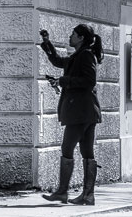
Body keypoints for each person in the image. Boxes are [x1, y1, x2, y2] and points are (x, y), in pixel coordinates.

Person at [39, 25, 103, 205]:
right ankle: (87, 195)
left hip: (81, 111)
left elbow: (89, 81)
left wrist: (63, 80)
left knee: (67, 148)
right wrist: (47, 43)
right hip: (86, 111)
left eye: (73, 34)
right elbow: (59, 61)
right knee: (87, 152)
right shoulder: (79, 55)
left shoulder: (85, 55)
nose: (70, 36)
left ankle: (63, 192)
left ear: (81, 38)